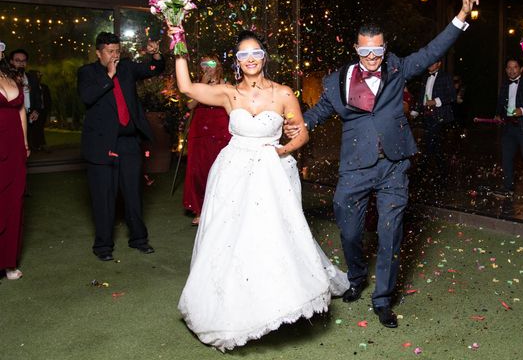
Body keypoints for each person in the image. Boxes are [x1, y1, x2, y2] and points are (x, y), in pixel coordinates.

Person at [285, 0, 482, 328]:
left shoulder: (398, 68)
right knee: (348, 230)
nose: (372, 58)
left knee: (390, 233)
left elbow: (434, 48)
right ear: (355, 48)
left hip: (394, 164)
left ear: (385, 48)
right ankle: (357, 276)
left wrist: (462, 16)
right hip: (354, 168)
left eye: (378, 51)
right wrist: (292, 127)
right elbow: (316, 115)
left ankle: (383, 299)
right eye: (365, 52)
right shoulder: (337, 81)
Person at [174, 29, 349, 351]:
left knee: (271, 234)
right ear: (237, 61)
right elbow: (185, 86)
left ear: (264, 57)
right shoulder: (228, 94)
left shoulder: (283, 93)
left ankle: (276, 300)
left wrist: (286, 148)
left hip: (270, 173)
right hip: (233, 172)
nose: (250, 59)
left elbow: (301, 134)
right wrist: (178, 43)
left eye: (255, 53)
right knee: (229, 237)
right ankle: (230, 305)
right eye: (243, 54)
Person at [77, 32, 164, 262]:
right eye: (110, 51)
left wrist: (156, 55)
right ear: (98, 53)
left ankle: (139, 240)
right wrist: (109, 75)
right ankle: (103, 246)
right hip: (102, 144)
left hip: (128, 142)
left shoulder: (126, 68)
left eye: (117, 51)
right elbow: (87, 97)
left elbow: (154, 69)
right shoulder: (87, 72)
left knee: (133, 193)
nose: (115, 55)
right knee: (103, 197)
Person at [182, 55, 231, 225]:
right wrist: (202, 84)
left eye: (211, 63)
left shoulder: (226, 84)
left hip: (220, 128)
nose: (207, 66)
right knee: (199, 170)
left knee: (221, 169)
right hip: (200, 129)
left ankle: (220, 210)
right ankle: (200, 210)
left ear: (218, 65)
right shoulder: (196, 85)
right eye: (204, 64)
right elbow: (190, 105)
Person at [0, 42, 29, 280]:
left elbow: (21, 112)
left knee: (13, 203)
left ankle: (9, 262)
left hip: (15, 149)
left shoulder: (11, 77)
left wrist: (25, 144)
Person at [494, 57, 523, 197]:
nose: (512, 70)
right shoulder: (504, 85)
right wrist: (497, 115)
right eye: (509, 67)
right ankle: (508, 186)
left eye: (515, 67)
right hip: (509, 127)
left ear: (521, 69)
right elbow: (500, 102)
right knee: (507, 157)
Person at [415, 59, 456, 186]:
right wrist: (415, 111)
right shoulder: (425, 77)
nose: (429, 64)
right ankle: (443, 173)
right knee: (436, 145)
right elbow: (422, 96)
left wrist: (435, 101)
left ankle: (422, 171)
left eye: (432, 62)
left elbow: (452, 96)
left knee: (430, 143)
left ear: (439, 64)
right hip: (427, 115)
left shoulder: (445, 77)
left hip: (440, 116)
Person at [8, 49, 42, 150]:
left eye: (23, 61)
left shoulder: (32, 78)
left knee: (26, 147)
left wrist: (36, 110)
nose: (21, 63)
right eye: (17, 60)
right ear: (11, 62)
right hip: (12, 116)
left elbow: (38, 96)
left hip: (29, 117)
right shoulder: (6, 79)